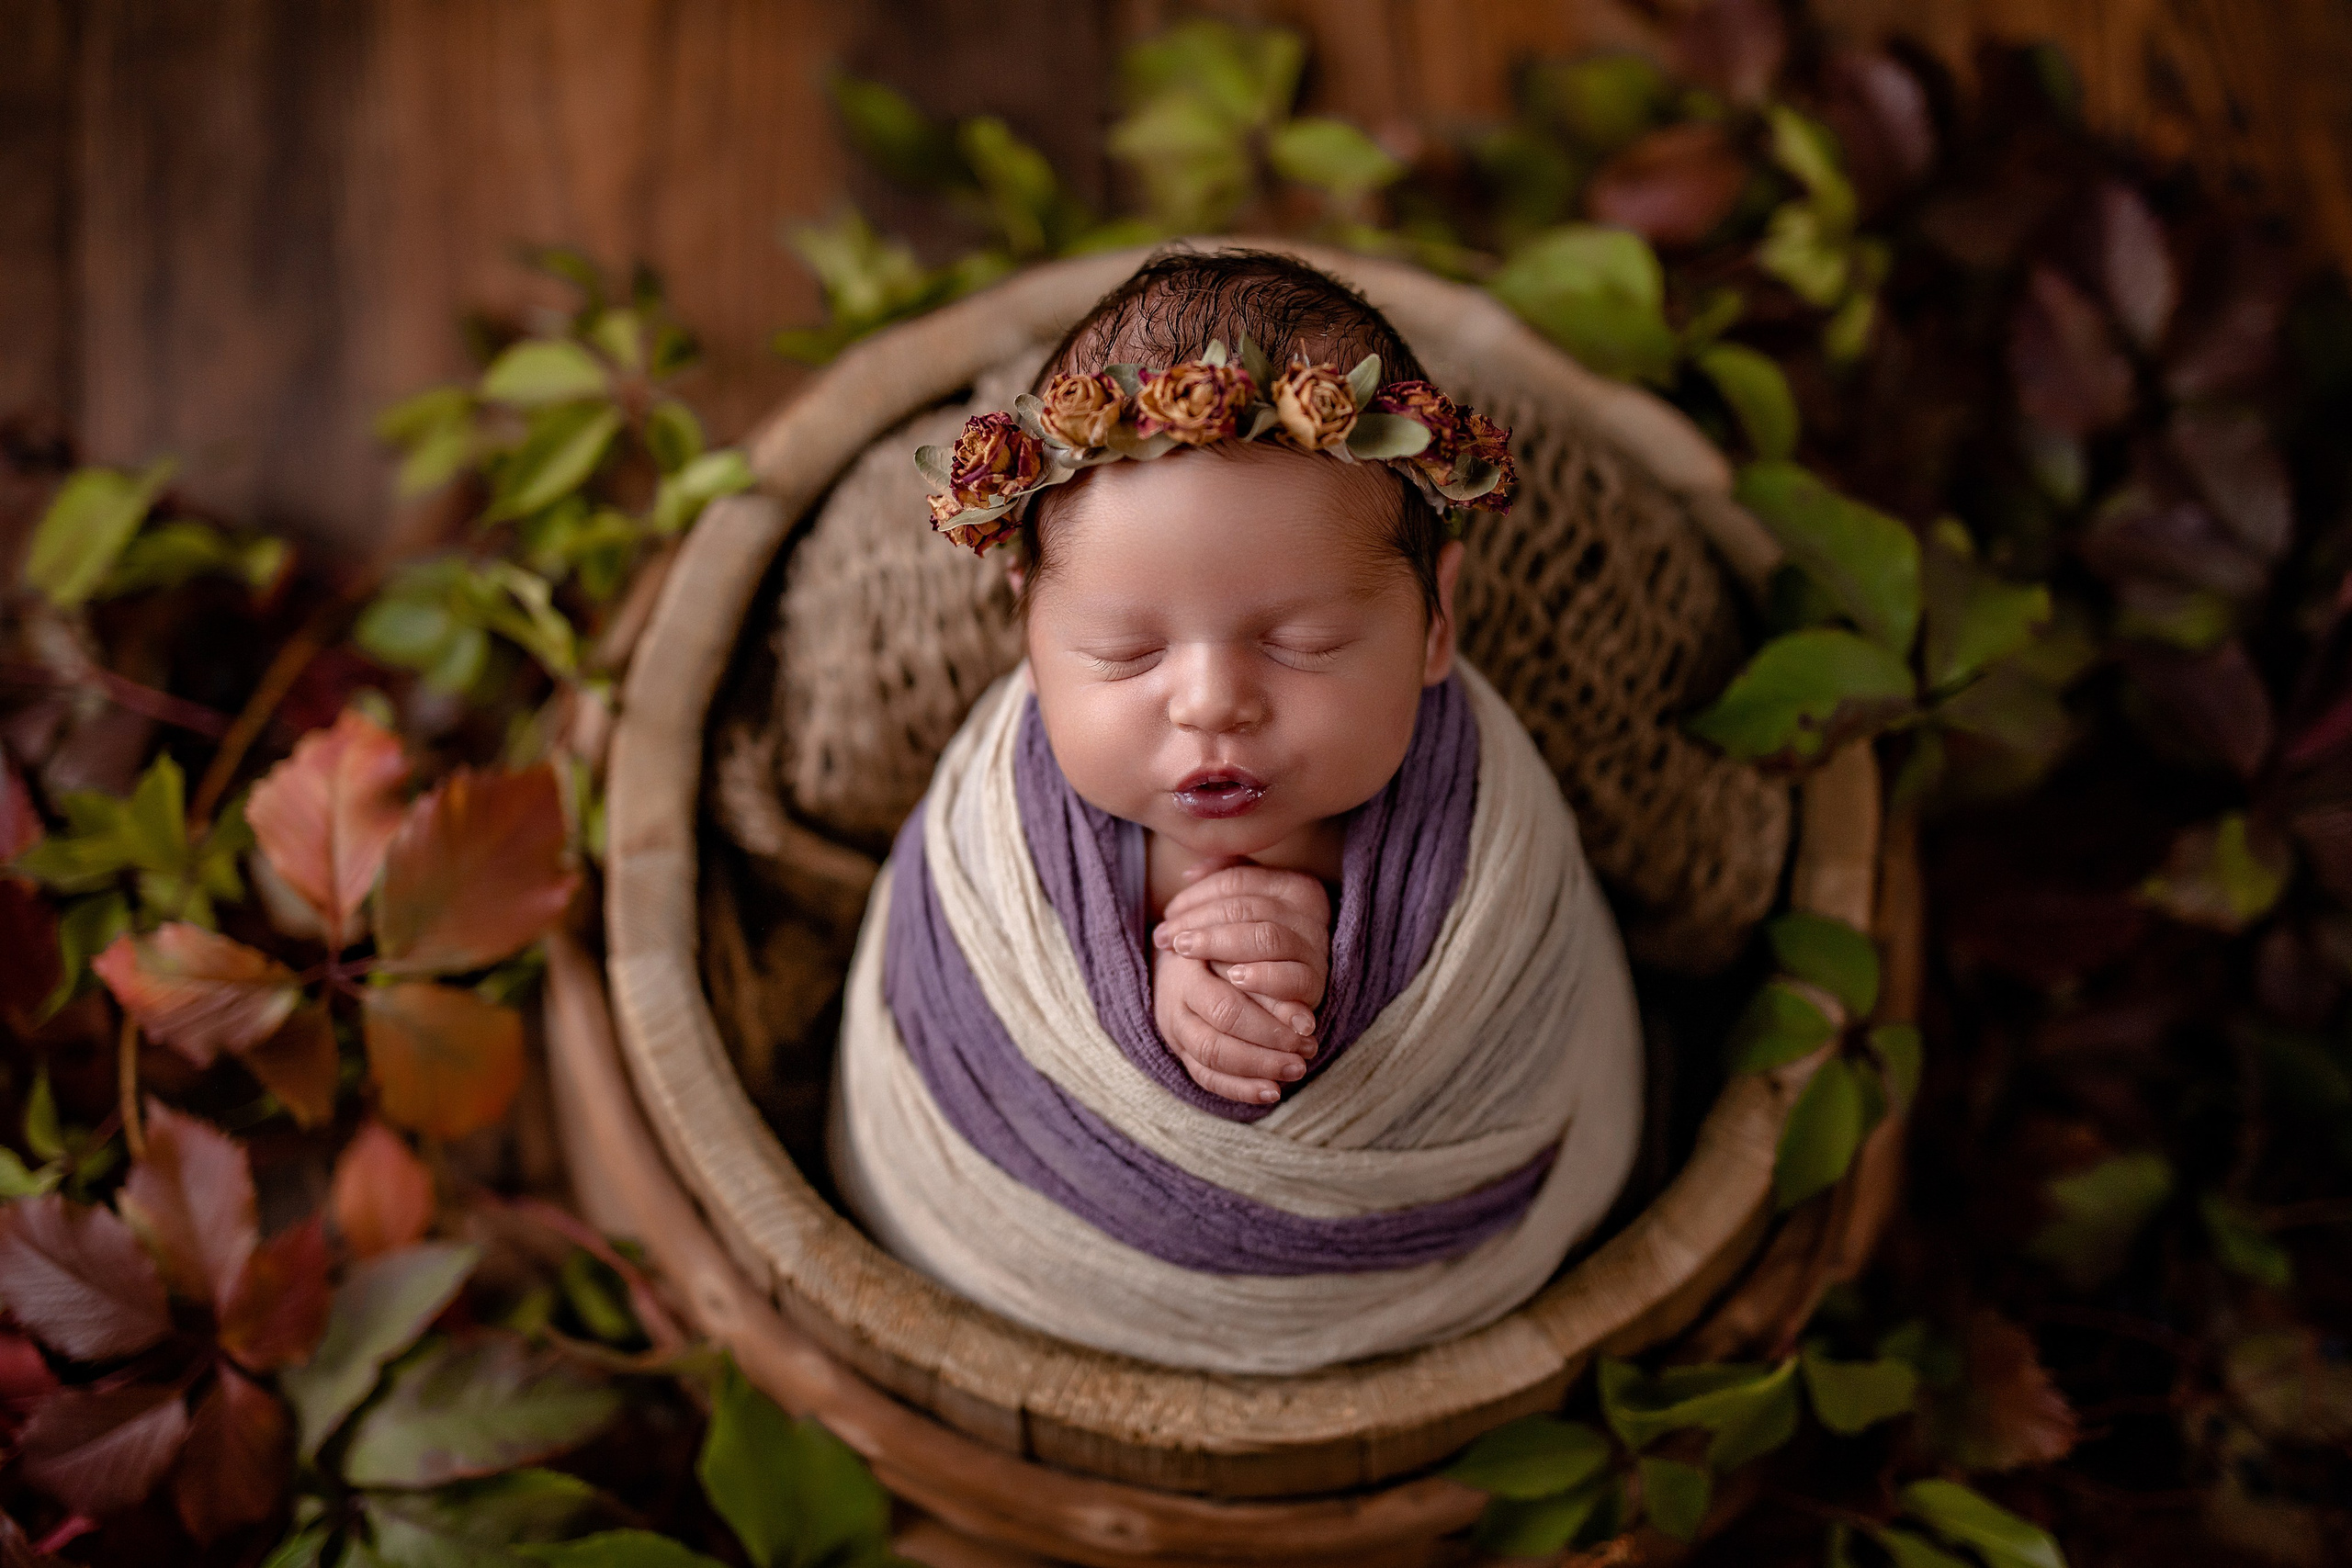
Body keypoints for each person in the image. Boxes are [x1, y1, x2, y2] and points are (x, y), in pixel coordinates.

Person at [828, 248, 1643, 1373]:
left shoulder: (1477, 826)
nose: (1212, 701)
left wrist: (1334, 972)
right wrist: (1150, 995)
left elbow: (1505, 1000)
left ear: (1437, 623)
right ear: (1026, 630)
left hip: (1415, 1261)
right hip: (1029, 1234)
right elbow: (968, 973)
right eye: (1125, 651)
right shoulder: (999, 826)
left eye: (1302, 644)